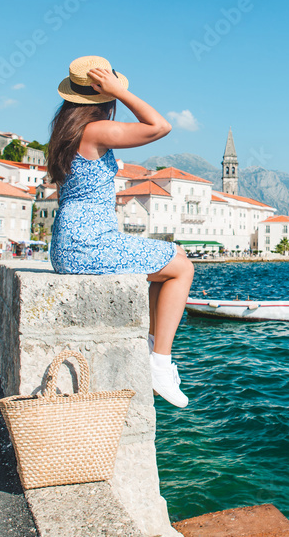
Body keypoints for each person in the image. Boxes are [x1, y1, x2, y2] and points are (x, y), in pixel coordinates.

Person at [48, 56, 194, 408]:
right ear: (103, 96)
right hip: (89, 242)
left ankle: (151, 346)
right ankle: (160, 364)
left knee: (172, 260)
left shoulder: (64, 133)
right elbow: (159, 126)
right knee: (183, 268)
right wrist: (119, 91)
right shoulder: (95, 130)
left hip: (69, 242)